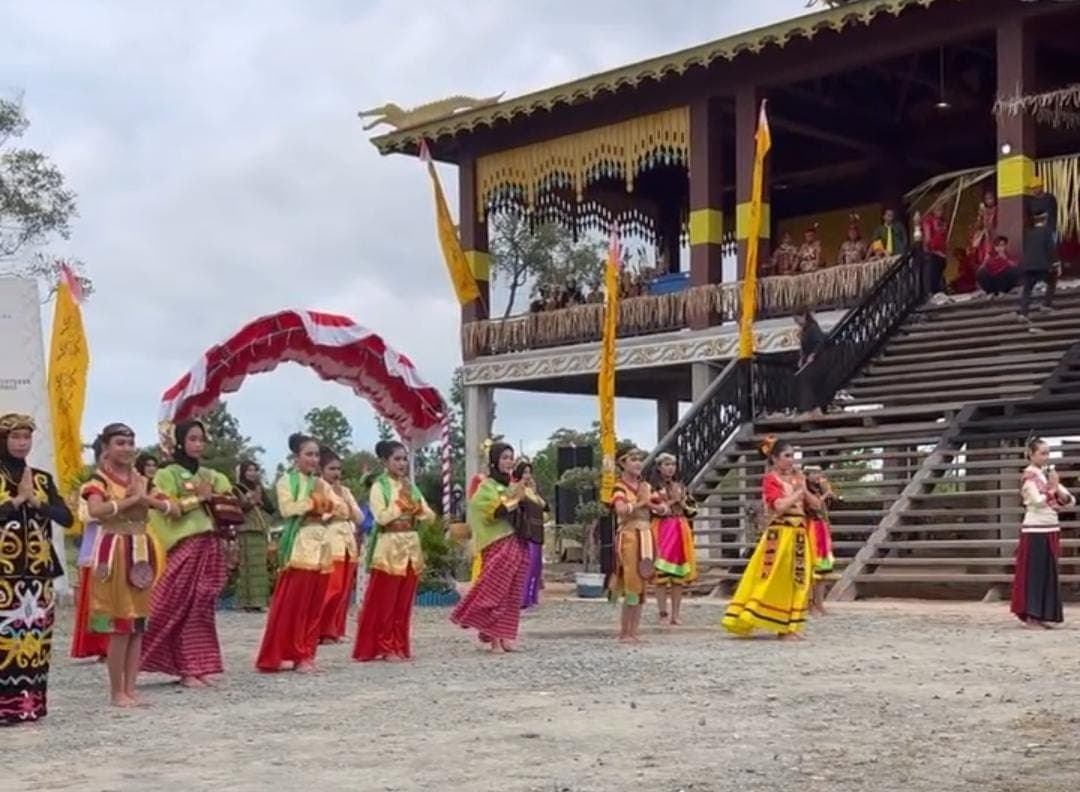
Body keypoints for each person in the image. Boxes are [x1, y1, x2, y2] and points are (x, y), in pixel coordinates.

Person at [80, 423, 168, 707]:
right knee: (120, 623)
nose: (127, 448)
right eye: (120, 443)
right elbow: (95, 511)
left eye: (130, 443)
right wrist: (133, 499)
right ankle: (117, 691)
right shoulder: (100, 479)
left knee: (138, 623)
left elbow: (174, 507)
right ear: (106, 447)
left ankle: (131, 688)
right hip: (115, 548)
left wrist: (148, 499)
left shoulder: (141, 478)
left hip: (140, 549)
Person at [141, 420, 233, 688]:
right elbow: (167, 508)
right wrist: (200, 499)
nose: (198, 444)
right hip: (184, 546)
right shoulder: (166, 474)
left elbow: (228, 499)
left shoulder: (211, 475)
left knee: (201, 608)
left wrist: (215, 497)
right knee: (172, 605)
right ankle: (152, 659)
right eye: (192, 439)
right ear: (180, 442)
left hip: (209, 545)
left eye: (201, 439)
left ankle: (196, 666)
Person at [0, 414, 73, 725]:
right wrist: (18, 501)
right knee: (4, 642)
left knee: (34, 643)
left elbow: (66, 518)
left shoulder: (42, 479)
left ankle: (28, 705)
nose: (21, 443)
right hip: (4, 576)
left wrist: (36, 502)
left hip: (37, 576)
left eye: (26, 438)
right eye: (15, 437)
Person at [722, 436, 818, 640]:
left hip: (799, 533)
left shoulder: (796, 479)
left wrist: (804, 489)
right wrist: (798, 492)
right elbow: (779, 507)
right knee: (773, 577)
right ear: (774, 458)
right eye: (787, 456)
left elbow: (816, 506)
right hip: (780, 534)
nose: (791, 460)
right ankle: (769, 620)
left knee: (797, 579)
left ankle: (789, 626)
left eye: (793, 456)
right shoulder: (770, 479)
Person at [255, 434, 338, 672]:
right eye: (308, 454)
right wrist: (313, 503)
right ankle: (280, 652)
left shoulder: (321, 483)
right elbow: (287, 508)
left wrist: (327, 506)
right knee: (292, 604)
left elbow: (339, 507)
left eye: (316, 455)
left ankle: (305, 654)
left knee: (314, 605)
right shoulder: (286, 481)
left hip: (321, 544)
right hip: (300, 545)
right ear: (296, 456)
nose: (313, 459)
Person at [353, 441, 434, 662]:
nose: (402, 463)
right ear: (385, 462)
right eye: (397, 459)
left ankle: (399, 643)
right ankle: (384, 645)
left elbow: (429, 514)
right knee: (385, 601)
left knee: (403, 601)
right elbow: (381, 517)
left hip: (410, 545)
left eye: (404, 459)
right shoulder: (380, 486)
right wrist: (401, 504)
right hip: (389, 546)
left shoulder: (410, 486)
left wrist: (417, 509)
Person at [451, 443, 532, 653]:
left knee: (514, 593)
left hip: (518, 542)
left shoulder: (513, 485)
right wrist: (515, 500)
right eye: (504, 457)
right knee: (497, 591)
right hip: (498, 543)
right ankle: (494, 638)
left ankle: (506, 636)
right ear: (495, 461)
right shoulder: (486, 485)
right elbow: (490, 511)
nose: (509, 461)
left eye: (511, 457)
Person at [1011, 438, 1075, 628]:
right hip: (1035, 529)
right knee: (1035, 573)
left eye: (1048, 453)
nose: (1046, 457)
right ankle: (1032, 614)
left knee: (1048, 573)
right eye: (1042, 453)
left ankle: (1044, 614)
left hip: (1050, 527)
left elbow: (1070, 500)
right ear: (1031, 455)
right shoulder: (1029, 476)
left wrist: (1059, 492)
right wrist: (1053, 489)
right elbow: (1037, 500)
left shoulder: (1047, 475)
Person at [608, 444, 657, 643]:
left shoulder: (645, 486)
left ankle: (634, 631)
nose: (638, 463)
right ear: (623, 463)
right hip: (629, 535)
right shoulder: (619, 487)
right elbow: (620, 510)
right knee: (631, 581)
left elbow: (659, 507)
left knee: (643, 581)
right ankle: (624, 632)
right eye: (633, 459)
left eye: (639, 459)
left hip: (645, 534)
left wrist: (660, 505)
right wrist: (642, 503)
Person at [70, 438, 110, 662]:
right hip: (96, 548)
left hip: (123, 546)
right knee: (99, 602)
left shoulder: (129, 480)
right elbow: (85, 515)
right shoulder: (91, 485)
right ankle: (102, 645)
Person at [317, 447, 362, 644]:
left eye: (338, 469)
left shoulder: (345, 491)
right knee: (331, 588)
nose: (336, 473)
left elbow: (359, 517)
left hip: (347, 541)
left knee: (344, 590)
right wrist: (335, 509)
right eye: (331, 469)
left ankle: (336, 629)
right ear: (321, 470)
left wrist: (346, 504)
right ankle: (322, 630)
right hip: (328, 539)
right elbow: (319, 515)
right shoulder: (317, 489)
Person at [650, 453, 697, 626]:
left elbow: (693, 510)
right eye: (666, 464)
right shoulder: (652, 487)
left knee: (678, 575)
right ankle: (662, 613)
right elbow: (652, 509)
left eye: (673, 464)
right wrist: (671, 502)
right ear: (659, 467)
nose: (670, 468)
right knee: (660, 574)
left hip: (680, 528)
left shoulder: (682, 486)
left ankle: (676, 614)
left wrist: (683, 503)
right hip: (662, 528)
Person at [233, 460, 275, 612]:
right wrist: (251, 502)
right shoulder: (237, 488)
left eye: (254, 470)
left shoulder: (259, 488)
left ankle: (259, 602)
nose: (252, 473)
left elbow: (271, 508)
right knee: (247, 566)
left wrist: (260, 501)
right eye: (249, 470)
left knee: (260, 568)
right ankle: (246, 602)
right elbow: (237, 509)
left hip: (259, 529)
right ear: (243, 472)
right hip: (245, 529)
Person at [509, 460, 547, 611]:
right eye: (524, 472)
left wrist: (534, 490)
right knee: (528, 566)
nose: (528, 475)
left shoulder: (532, 490)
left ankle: (532, 597)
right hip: (526, 531)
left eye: (529, 472)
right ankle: (522, 599)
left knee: (537, 566)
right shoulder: (516, 489)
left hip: (537, 529)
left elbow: (544, 506)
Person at [805, 468, 836, 617]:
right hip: (811, 528)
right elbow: (813, 506)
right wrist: (825, 495)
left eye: (820, 473)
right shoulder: (804, 489)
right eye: (815, 473)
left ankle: (820, 603)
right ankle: (809, 603)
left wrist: (827, 493)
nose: (819, 476)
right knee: (812, 568)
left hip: (822, 528)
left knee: (824, 568)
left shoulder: (819, 488)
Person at [1019, 212, 1058, 322]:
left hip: (1027, 266)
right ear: (1045, 219)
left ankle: (1023, 313)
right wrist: (1055, 264)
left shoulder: (1027, 232)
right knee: (1052, 280)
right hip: (1042, 266)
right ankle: (1046, 304)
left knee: (1027, 289)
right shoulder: (1046, 232)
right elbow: (1051, 249)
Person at [794, 308, 827, 416]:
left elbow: (820, 342)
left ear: (803, 316)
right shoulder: (805, 329)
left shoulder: (812, 328)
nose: (796, 322)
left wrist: (813, 354)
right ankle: (815, 408)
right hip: (809, 361)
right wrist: (801, 358)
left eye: (797, 319)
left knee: (806, 381)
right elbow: (803, 348)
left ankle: (808, 408)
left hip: (817, 361)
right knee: (805, 380)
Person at [921, 205, 949, 295]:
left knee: (939, 272)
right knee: (933, 273)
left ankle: (938, 290)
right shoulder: (929, 220)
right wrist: (928, 246)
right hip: (933, 251)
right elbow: (927, 235)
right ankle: (931, 292)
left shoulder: (942, 222)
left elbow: (944, 236)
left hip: (942, 252)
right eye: (937, 210)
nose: (940, 212)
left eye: (941, 210)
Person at [969, 191, 997, 267]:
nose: (989, 201)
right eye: (987, 199)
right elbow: (978, 225)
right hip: (985, 237)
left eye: (990, 198)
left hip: (994, 234)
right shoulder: (983, 211)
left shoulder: (997, 209)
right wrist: (980, 215)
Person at [1028, 176, 1058, 242]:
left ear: (1041, 187)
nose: (1034, 190)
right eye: (1032, 188)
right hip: (1037, 232)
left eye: (1036, 188)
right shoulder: (1032, 201)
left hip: (1049, 230)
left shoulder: (1050, 198)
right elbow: (1032, 214)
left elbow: (1053, 214)